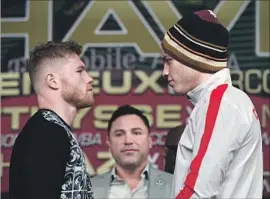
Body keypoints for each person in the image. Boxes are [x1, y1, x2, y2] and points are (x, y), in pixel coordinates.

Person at [161, 10, 263, 199]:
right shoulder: (228, 100)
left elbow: (198, 192)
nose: (164, 72)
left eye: (169, 61)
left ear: (191, 58)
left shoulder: (219, 102)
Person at [9, 41, 95, 199]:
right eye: (79, 71)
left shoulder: (53, 130)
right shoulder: (45, 134)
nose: (89, 78)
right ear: (53, 81)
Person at [91, 105, 173, 199]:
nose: (128, 141)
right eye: (119, 134)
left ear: (149, 141)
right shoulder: (88, 188)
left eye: (136, 133)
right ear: (109, 142)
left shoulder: (175, 184)